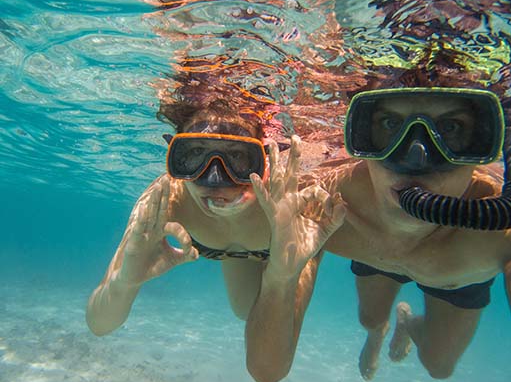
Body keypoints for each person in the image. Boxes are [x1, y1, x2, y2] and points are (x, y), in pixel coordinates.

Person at [244, 84, 511, 382]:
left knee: (438, 366)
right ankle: (377, 332)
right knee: (370, 319)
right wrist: (280, 273)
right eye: (389, 125)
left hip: (453, 278)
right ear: (361, 137)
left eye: (452, 127)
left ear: (486, 141)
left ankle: (409, 324)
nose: (416, 156)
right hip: (374, 257)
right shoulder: (325, 204)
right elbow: (266, 371)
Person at [86, 81, 345, 336]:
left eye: (239, 157)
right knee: (245, 313)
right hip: (239, 252)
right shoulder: (164, 200)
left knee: (367, 314)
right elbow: (99, 325)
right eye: (196, 154)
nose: (215, 180)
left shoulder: (294, 193)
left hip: (284, 249)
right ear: (177, 156)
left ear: (265, 158)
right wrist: (124, 283)